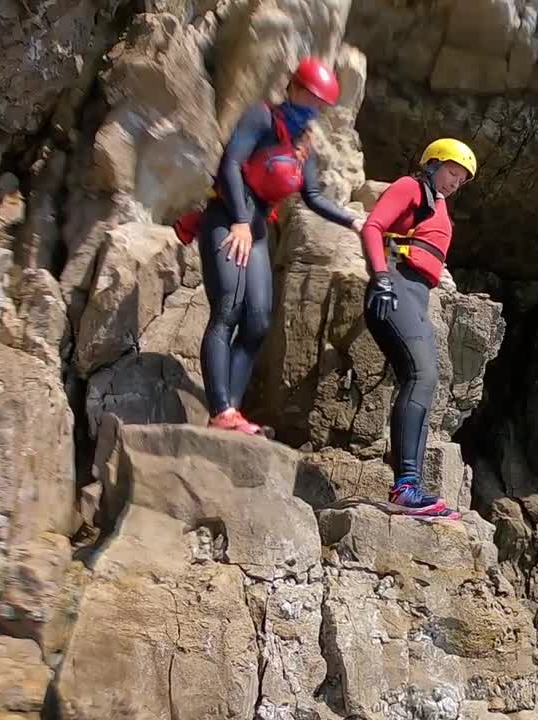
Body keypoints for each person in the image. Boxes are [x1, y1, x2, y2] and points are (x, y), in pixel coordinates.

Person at [182, 57, 363, 434]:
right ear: (293, 88)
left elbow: (312, 196)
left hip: (257, 224)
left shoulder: (303, 145)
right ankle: (221, 410)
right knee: (228, 308)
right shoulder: (261, 117)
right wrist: (240, 221)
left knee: (258, 321)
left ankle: (231, 413)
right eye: (308, 97)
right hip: (227, 218)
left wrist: (353, 220)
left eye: (320, 105)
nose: (312, 108)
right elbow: (230, 165)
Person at [358, 138, 477, 514]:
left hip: (417, 294)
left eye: (461, 179)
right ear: (432, 164)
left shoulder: (438, 205)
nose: (453, 182)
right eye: (450, 172)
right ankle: (405, 486)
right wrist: (379, 275)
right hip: (394, 284)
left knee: (427, 381)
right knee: (421, 376)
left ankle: (412, 486)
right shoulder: (411, 187)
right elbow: (373, 227)